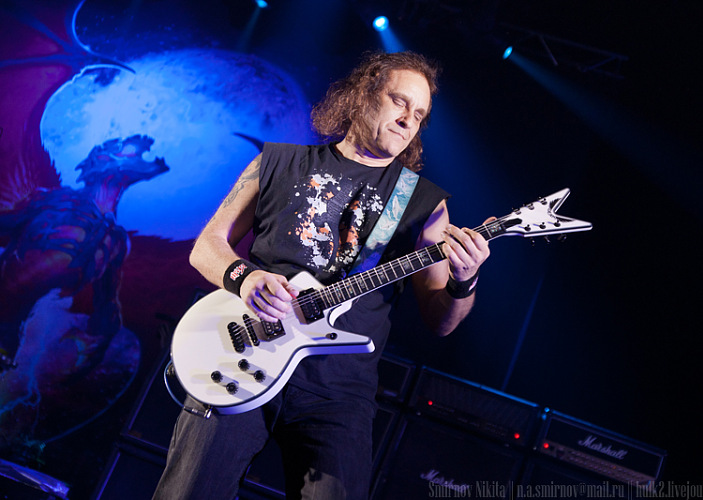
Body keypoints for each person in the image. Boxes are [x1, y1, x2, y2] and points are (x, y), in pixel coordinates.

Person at [153, 51, 492, 500]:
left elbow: (441, 321)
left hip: (339, 395)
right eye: (399, 102)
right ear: (364, 93)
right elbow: (207, 246)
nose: (408, 120)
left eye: (419, 115)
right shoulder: (276, 162)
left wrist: (464, 280)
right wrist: (247, 279)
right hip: (241, 355)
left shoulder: (423, 203)